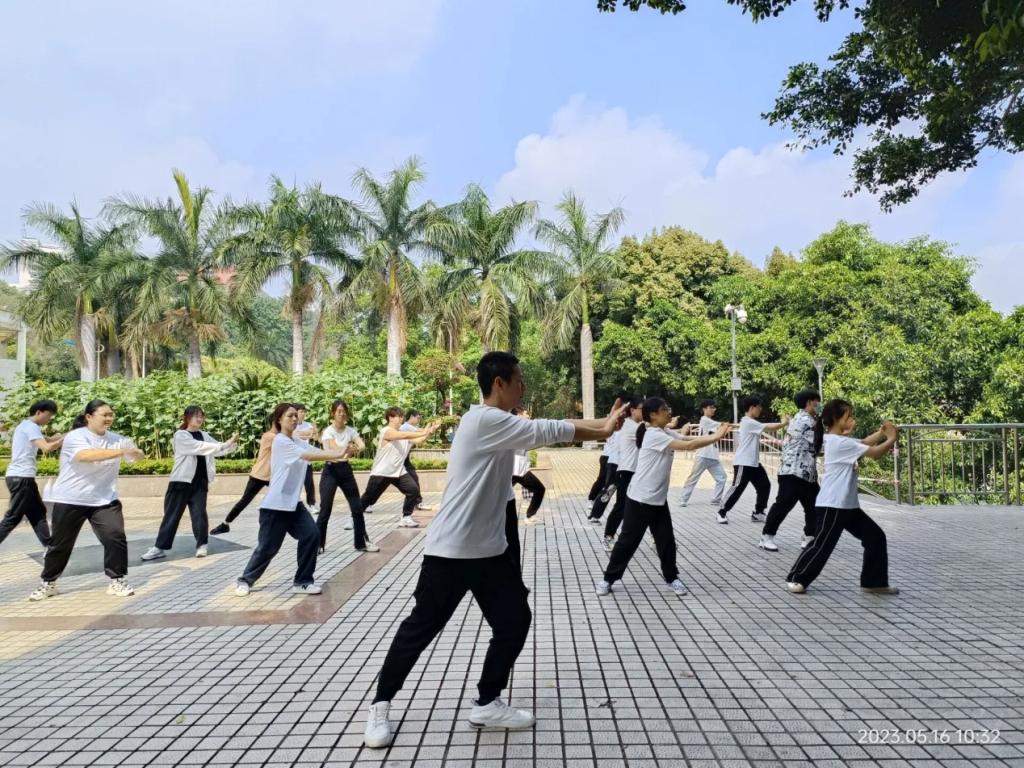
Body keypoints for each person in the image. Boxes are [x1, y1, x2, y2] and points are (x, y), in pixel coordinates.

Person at [363, 351, 627, 749]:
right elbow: (547, 429)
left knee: (514, 620)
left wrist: (603, 426)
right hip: (451, 550)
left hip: (491, 551)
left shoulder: (499, 423)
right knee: (421, 628)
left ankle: (487, 703)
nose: (523, 386)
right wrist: (603, 429)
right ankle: (380, 704)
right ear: (499, 383)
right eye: (519, 380)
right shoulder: (484, 420)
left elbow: (546, 426)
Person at [597, 397, 730, 597]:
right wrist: (717, 436)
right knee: (627, 542)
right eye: (665, 408)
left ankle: (672, 578)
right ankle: (608, 579)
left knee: (666, 541)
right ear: (653, 415)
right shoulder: (653, 435)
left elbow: (685, 439)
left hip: (658, 500)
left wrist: (715, 434)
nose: (669, 411)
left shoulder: (663, 431)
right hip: (640, 499)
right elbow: (689, 446)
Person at [29, 400, 145, 601]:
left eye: (111, 415)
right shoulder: (76, 436)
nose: (108, 418)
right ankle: (49, 583)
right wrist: (121, 451)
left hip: (104, 499)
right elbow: (85, 456)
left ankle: (117, 579)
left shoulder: (117, 439)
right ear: (89, 417)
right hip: (71, 499)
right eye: (104, 415)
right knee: (60, 544)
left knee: (115, 536)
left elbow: (137, 457)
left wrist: (137, 453)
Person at [235, 403, 353, 597]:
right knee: (268, 548)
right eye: (289, 416)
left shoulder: (297, 441)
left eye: (295, 416)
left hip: (293, 505)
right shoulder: (280, 441)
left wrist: (343, 452)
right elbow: (309, 456)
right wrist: (340, 452)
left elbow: (318, 452)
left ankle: (302, 582)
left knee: (311, 535)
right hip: (275, 506)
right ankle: (245, 580)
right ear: (279, 420)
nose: (294, 419)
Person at [785, 400, 899, 595]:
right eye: (849, 417)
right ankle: (797, 578)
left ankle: (874, 583)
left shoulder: (838, 440)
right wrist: (891, 438)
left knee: (875, 537)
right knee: (822, 544)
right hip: (833, 504)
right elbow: (874, 453)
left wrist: (881, 433)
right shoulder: (840, 443)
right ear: (837, 420)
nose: (852, 420)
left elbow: (864, 443)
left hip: (847, 506)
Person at [141, 406, 238, 561]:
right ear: (186, 418)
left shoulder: (204, 435)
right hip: (180, 482)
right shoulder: (180, 435)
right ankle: (159, 548)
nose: (199, 419)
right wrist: (224, 444)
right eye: (195, 416)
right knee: (172, 516)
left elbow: (217, 449)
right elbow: (199, 447)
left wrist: (232, 444)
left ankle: (202, 545)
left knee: (200, 514)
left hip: (200, 482)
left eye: (201, 416)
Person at [759, 389, 821, 552]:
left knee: (814, 505)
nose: (819, 405)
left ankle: (809, 536)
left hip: (806, 473)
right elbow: (819, 445)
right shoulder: (806, 421)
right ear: (810, 402)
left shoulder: (804, 419)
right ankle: (766, 536)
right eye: (817, 402)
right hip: (793, 471)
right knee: (784, 504)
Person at [358, 408, 439, 529]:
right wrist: (424, 431)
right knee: (368, 497)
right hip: (382, 471)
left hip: (398, 471)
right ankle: (354, 518)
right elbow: (404, 435)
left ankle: (406, 517)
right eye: (398, 416)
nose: (401, 419)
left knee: (413, 490)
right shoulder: (386, 431)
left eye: (402, 416)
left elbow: (419, 440)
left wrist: (430, 432)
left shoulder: (401, 433)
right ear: (390, 418)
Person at [0, 400, 63, 550]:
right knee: (13, 517)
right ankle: (50, 547)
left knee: (38, 513)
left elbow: (49, 440)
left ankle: (50, 547)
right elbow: (46, 447)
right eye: (48, 416)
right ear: (38, 412)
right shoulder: (31, 427)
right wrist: (65, 439)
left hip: (22, 477)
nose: (48, 420)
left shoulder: (25, 426)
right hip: (22, 478)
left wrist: (74, 434)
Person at [317, 399, 378, 553]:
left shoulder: (350, 430)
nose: (342, 414)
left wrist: (353, 448)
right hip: (330, 471)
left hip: (345, 471)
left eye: (344, 411)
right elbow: (334, 451)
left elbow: (362, 445)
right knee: (325, 510)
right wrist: (349, 449)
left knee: (357, 508)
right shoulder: (328, 432)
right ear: (333, 413)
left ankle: (361, 543)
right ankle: (318, 544)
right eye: (339, 411)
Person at [717, 395, 788, 525]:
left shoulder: (748, 422)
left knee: (764, 485)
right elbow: (770, 427)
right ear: (751, 408)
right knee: (737, 488)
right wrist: (784, 423)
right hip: (743, 462)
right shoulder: (749, 422)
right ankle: (721, 512)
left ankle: (758, 513)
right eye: (759, 407)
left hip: (753, 463)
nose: (760, 409)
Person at [210, 421, 277, 535]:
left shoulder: (279, 436)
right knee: (244, 501)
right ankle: (225, 524)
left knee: (284, 497)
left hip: (272, 476)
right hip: (259, 475)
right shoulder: (270, 436)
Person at [602, 396, 644, 549]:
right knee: (621, 506)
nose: (645, 412)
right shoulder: (630, 426)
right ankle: (608, 536)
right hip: (626, 472)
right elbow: (652, 433)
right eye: (642, 409)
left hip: (637, 472)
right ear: (633, 410)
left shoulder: (636, 425)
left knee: (646, 506)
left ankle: (659, 537)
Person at [678, 399, 728, 508]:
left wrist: (727, 427)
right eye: (711, 407)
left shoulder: (710, 422)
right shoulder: (705, 420)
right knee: (693, 478)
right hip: (703, 455)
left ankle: (716, 500)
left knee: (722, 478)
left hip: (713, 456)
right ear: (704, 409)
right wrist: (728, 425)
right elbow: (722, 425)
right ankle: (683, 499)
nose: (713, 409)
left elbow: (722, 431)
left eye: (714, 407)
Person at [510, 408, 546, 520]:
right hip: (513, 469)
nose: (528, 416)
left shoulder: (521, 427)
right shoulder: (513, 427)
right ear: (519, 414)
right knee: (539, 489)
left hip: (520, 469)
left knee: (540, 489)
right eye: (526, 414)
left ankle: (530, 515)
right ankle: (529, 515)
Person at [587, 424, 621, 522]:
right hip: (614, 461)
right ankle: (594, 512)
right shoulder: (624, 428)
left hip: (622, 463)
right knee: (608, 487)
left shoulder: (624, 427)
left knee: (622, 493)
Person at [399, 409, 432, 512]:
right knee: (379, 484)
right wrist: (430, 425)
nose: (419, 420)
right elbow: (422, 432)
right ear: (411, 417)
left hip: (404, 459)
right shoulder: (406, 427)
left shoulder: (410, 428)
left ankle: (417, 503)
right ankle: (367, 503)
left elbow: (421, 438)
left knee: (413, 479)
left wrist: (430, 430)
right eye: (418, 418)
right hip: (396, 460)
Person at [294, 404, 319, 513]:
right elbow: (295, 435)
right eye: (301, 412)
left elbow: (315, 437)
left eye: (304, 412)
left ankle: (311, 504)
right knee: (293, 484)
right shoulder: (292, 425)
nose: (303, 414)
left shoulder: (308, 424)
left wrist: (313, 432)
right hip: (295, 460)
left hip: (306, 459)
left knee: (309, 483)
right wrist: (309, 433)